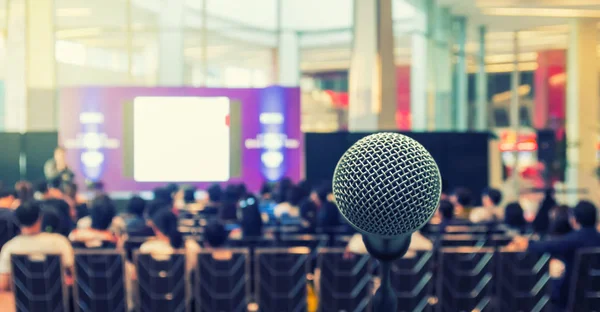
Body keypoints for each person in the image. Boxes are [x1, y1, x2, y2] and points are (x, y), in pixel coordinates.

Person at [509, 200, 600, 309]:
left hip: (572, 298)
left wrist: (527, 243)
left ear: (574, 220)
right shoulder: (596, 237)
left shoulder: (574, 239)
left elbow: (547, 246)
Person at [0, 201, 74, 291]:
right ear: (40, 218)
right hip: (57, 301)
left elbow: (3, 285)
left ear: (17, 220)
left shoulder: (9, 248)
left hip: (23, 303)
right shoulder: (59, 242)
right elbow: (74, 273)